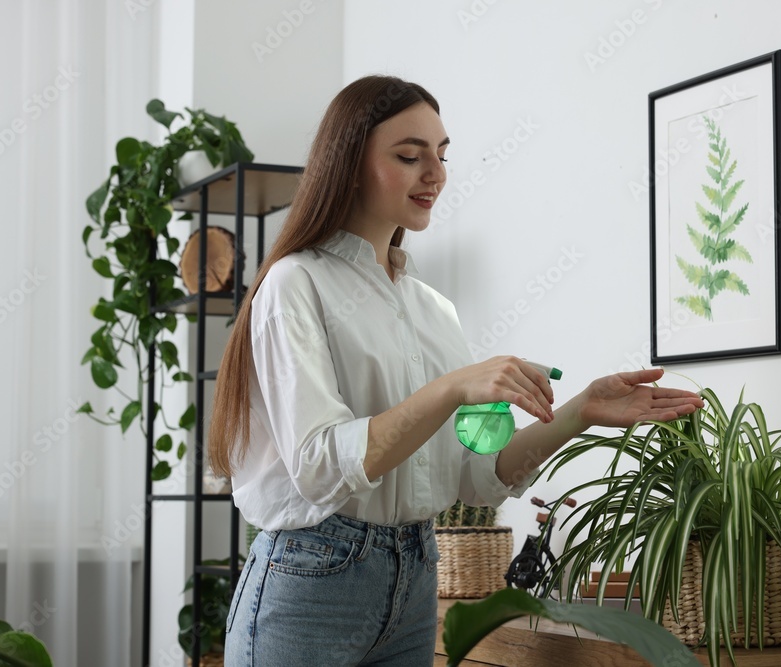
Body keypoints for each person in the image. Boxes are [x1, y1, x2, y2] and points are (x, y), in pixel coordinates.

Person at [208, 74, 704, 666]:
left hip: (417, 578)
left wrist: (579, 413)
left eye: (441, 157)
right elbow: (318, 467)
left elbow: (474, 475)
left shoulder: (433, 310)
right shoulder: (297, 283)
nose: (435, 174)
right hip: (312, 581)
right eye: (409, 156)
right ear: (349, 163)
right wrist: (450, 389)